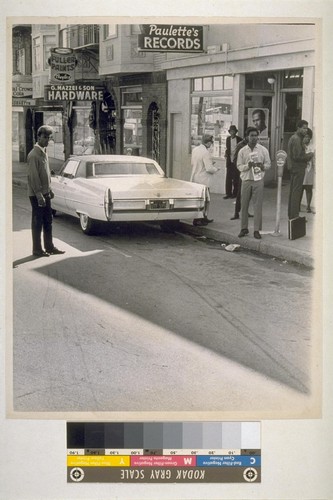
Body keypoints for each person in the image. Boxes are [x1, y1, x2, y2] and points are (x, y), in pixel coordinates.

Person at [27, 125, 65, 257]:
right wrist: (39, 195)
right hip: (37, 195)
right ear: (38, 137)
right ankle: (37, 249)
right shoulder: (33, 155)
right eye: (44, 137)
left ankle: (49, 247)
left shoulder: (44, 152)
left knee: (48, 221)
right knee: (38, 222)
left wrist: (50, 189)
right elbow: (34, 177)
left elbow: (46, 174)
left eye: (49, 138)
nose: (47, 140)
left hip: (45, 193)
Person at [237, 127, 271, 239]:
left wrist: (262, 166)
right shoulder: (242, 151)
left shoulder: (263, 150)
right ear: (247, 137)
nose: (254, 138)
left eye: (256, 135)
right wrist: (248, 166)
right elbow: (239, 166)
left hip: (258, 181)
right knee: (244, 205)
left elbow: (268, 164)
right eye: (251, 135)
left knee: (257, 206)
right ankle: (244, 228)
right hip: (246, 180)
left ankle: (256, 230)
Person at [190, 134, 220, 226]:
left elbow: (193, 163)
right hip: (204, 179)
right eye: (211, 142)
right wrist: (216, 169)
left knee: (199, 199)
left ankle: (201, 217)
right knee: (205, 200)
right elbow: (209, 168)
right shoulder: (206, 153)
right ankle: (200, 218)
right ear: (208, 142)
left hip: (195, 177)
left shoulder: (195, 150)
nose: (211, 144)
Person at [287, 120, 314, 220]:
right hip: (298, 168)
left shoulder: (296, 138)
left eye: (306, 128)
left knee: (294, 191)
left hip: (295, 168)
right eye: (303, 128)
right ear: (298, 128)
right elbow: (298, 156)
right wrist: (310, 155)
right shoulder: (297, 139)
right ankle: (294, 215)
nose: (305, 130)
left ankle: (292, 214)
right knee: (296, 192)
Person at [224, 125, 243, 199]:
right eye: (231, 131)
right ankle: (228, 193)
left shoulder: (239, 139)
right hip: (229, 161)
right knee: (228, 178)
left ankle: (235, 193)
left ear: (236, 132)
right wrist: (226, 153)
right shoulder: (228, 139)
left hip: (236, 161)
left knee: (236, 178)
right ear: (229, 132)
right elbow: (227, 148)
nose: (232, 133)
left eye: (234, 131)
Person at [301, 128, 315, 214]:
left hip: (309, 169)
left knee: (309, 188)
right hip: (301, 169)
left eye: (308, 137)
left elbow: (310, 157)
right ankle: (298, 205)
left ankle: (308, 206)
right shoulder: (300, 146)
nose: (307, 139)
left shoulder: (312, 147)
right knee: (300, 188)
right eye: (305, 137)